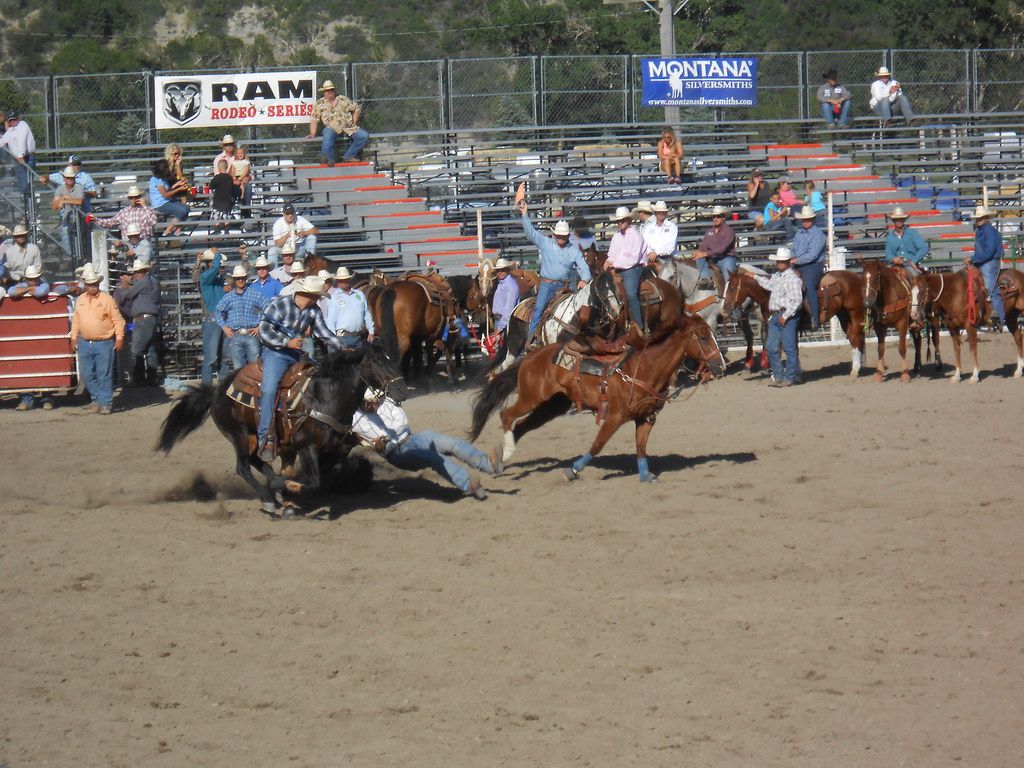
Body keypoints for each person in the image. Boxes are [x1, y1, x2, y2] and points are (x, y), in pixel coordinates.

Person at [352, 388, 496, 500]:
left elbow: (401, 422)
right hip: (397, 453)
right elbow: (367, 440)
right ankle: (469, 485)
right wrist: (379, 445)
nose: (373, 406)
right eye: (368, 403)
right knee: (432, 457)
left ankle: (488, 464)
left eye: (374, 401)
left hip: (413, 438)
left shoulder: (387, 402)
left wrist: (386, 438)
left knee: (451, 443)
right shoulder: (355, 418)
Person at [256, 275, 342, 459]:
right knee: (270, 389)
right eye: (318, 296)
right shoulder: (280, 304)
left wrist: (341, 346)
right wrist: (287, 342)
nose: (319, 299)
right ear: (309, 294)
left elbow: (323, 332)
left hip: (296, 355)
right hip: (275, 353)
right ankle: (266, 437)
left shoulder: (313, 311)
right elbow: (264, 330)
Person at [518, 199, 591, 338]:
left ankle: (576, 337)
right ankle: (532, 338)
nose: (560, 239)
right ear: (555, 235)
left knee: (575, 310)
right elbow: (531, 233)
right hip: (547, 284)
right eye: (559, 236)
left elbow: (583, 266)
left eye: (563, 236)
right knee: (539, 308)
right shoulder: (546, 243)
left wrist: (585, 279)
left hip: (564, 286)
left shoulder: (573, 251)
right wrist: (524, 214)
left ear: (567, 236)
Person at [71, 265, 125, 414]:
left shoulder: (107, 299)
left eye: (94, 284)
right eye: (90, 284)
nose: (92, 287)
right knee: (86, 374)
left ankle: (105, 402)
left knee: (104, 374)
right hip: (84, 341)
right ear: (85, 285)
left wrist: (119, 337)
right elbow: (76, 320)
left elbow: (118, 320)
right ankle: (98, 399)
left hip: (104, 342)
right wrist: (74, 336)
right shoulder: (80, 299)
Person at [753, 247, 804, 387]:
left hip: (785, 315)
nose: (779, 264)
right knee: (770, 347)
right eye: (778, 261)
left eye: (782, 261)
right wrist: (755, 277)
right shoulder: (776, 276)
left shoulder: (793, 279)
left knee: (789, 347)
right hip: (776, 315)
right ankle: (780, 375)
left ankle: (790, 376)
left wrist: (786, 315)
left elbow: (797, 300)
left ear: (788, 262)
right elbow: (769, 285)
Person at [114, 260, 161, 385]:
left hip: (142, 320)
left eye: (136, 272)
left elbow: (128, 295)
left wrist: (124, 289)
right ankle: (152, 377)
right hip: (149, 318)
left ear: (143, 272)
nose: (134, 275)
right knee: (149, 348)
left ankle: (139, 379)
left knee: (136, 350)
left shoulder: (143, 282)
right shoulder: (152, 281)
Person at [604, 206, 648, 332]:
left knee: (631, 294)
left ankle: (639, 326)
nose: (619, 223)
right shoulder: (616, 236)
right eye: (618, 221)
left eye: (622, 220)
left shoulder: (636, 236)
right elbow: (612, 253)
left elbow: (632, 259)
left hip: (633, 269)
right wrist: (608, 261)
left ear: (629, 220)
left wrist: (614, 263)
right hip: (618, 268)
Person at [216, 265, 267, 370]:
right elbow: (218, 311)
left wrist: (260, 326)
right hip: (235, 334)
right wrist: (224, 328)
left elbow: (268, 307)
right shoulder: (229, 297)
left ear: (246, 278)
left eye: (242, 278)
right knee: (238, 368)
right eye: (237, 279)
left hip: (252, 334)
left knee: (255, 367)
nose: (240, 280)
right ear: (234, 280)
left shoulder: (254, 294)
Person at [308, 80, 369, 164]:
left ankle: (348, 156)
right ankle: (327, 159)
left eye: (331, 90)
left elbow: (356, 109)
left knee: (363, 136)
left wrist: (354, 122)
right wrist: (312, 133)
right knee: (327, 134)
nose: (330, 92)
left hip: (348, 126)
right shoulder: (319, 103)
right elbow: (314, 118)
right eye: (327, 91)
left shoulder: (342, 99)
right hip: (331, 127)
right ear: (324, 92)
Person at [966, 205, 1006, 329]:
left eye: (980, 218)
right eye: (977, 218)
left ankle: (999, 316)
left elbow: (989, 252)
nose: (978, 220)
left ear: (986, 218)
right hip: (982, 261)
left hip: (990, 262)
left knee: (989, 289)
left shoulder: (990, 232)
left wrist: (972, 259)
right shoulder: (981, 231)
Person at [790, 205, 827, 329]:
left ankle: (815, 317)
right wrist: (792, 258)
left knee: (810, 286)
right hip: (798, 264)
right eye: (804, 220)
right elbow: (793, 249)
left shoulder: (818, 234)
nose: (806, 222)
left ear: (813, 220)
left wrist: (796, 259)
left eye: (808, 220)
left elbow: (813, 254)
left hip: (813, 265)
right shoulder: (798, 234)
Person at [194, 248, 226, 384]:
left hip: (220, 319)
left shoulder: (217, 280)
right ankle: (207, 387)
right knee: (211, 357)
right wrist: (217, 254)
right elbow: (215, 269)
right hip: (214, 319)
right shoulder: (206, 277)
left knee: (224, 356)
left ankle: (221, 385)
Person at [322, 266, 375, 347]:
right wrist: (332, 338)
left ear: (349, 280)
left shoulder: (359, 294)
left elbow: (366, 313)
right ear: (337, 281)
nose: (343, 282)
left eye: (345, 279)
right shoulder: (333, 297)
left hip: (359, 336)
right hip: (341, 338)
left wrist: (371, 332)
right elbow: (331, 320)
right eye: (341, 280)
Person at [92, 185, 157, 242]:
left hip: (143, 242)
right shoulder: (124, 212)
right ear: (129, 199)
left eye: (136, 197)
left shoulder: (148, 210)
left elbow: (153, 222)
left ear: (139, 197)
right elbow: (111, 222)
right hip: (128, 244)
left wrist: (144, 206)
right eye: (131, 198)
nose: (134, 199)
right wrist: (95, 219)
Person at [695, 205, 737, 290]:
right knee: (699, 259)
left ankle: (731, 291)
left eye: (719, 216)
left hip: (726, 257)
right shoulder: (709, 232)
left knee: (729, 278)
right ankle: (706, 278)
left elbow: (721, 249)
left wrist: (705, 253)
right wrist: (698, 252)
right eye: (714, 216)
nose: (716, 218)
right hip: (712, 258)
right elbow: (704, 245)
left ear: (723, 218)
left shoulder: (729, 231)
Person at [0, 110, 36, 201]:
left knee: (26, 183)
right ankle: (26, 207)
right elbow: (3, 140)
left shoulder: (23, 126)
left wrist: (20, 155)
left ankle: (30, 206)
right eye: (10, 120)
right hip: (17, 159)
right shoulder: (11, 130)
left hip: (26, 158)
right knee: (22, 184)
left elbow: (22, 141)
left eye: (14, 119)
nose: (13, 122)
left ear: (18, 119)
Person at [149, 159, 191, 236]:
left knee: (187, 208)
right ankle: (167, 231)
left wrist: (177, 184)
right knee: (182, 211)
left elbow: (167, 189)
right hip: (160, 204)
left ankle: (174, 230)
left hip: (166, 201)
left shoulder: (162, 178)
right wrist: (179, 189)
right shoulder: (158, 180)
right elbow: (166, 194)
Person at [885, 207, 928, 280]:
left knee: (915, 281)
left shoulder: (912, 233)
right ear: (893, 221)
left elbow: (923, 248)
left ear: (904, 220)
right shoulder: (890, 237)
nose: (899, 221)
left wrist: (914, 261)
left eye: (901, 219)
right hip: (895, 266)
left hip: (910, 264)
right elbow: (888, 255)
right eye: (896, 219)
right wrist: (894, 259)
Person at [51, 165, 84, 256]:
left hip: (79, 220)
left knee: (80, 244)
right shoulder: (60, 189)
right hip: (67, 220)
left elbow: (80, 201)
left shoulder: (79, 187)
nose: (70, 180)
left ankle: (79, 258)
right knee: (67, 245)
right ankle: (69, 258)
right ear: (64, 178)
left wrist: (64, 200)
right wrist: (62, 200)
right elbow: (54, 206)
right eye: (68, 178)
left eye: (71, 178)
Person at [490, 257, 519, 334]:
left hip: (505, 323)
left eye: (502, 270)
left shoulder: (511, 286)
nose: (500, 272)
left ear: (507, 270)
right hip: (498, 320)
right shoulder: (499, 283)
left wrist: (500, 328)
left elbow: (509, 308)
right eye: (498, 270)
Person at [209, 158, 234, 234]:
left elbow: (212, 185)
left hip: (218, 200)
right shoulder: (229, 178)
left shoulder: (217, 177)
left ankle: (217, 228)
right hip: (227, 200)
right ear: (227, 167)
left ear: (219, 168)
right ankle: (226, 229)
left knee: (216, 214)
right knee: (226, 214)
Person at [232, 145, 252, 215]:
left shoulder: (246, 161)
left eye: (242, 153)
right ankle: (239, 198)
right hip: (237, 176)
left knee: (243, 183)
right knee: (238, 184)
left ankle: (242, 196)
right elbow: (233, 170)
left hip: (244, 175)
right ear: (236, 154)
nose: (240, 155)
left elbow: (246, 170)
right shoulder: (234, 162)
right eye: (239, 153)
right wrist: (233, 176)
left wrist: (242, 176)